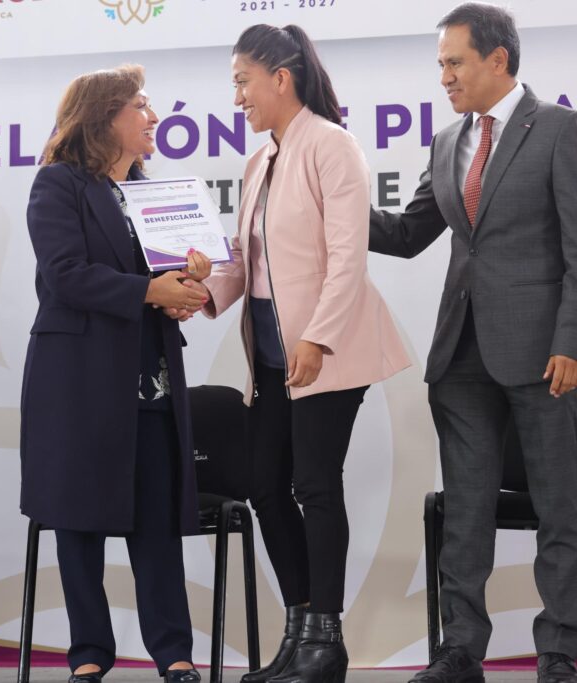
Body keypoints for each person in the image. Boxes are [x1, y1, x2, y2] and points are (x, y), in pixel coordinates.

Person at [368, 4, 577, 682]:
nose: (443, 76)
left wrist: (574, 341)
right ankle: (461, 651)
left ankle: (557, 653)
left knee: (557, 507)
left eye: (455, 62)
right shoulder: (448, 141)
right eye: (440, 64)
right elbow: (408, 233)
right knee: (466, 510)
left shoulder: (561, 129)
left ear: (498, 59)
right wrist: (333, 209)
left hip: (544, 353)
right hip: (461, 354)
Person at [198, 24, 410, 683]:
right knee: (265, 485)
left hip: (329, 346)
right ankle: (299, 634)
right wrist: (200, 292)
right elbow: (245, 261)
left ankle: (326, 641)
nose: (237, 96)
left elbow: (347, 259)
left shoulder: (332, 145)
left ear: (280, 79)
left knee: (314, 484)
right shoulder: (260, 159)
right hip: (270, 353)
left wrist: (317, 337)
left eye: (242, 81)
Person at [20, 64, 209, 683]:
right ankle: (89, 654)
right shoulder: (58, 183)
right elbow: (65, 275)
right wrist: (152, 291)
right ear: (104, 117)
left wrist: (189, 285)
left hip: (150, 381)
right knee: (79, 521)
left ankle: (174, 653)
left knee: (156, 521)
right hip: (78, 383)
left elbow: (168, 284)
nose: (154, 118)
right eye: (141, 106)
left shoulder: (152, 193)